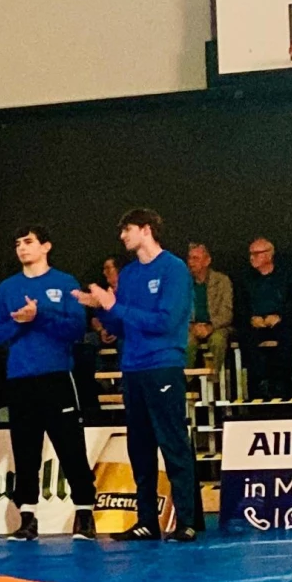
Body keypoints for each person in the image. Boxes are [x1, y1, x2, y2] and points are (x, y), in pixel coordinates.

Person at [74, 208, 198, 542]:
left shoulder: (173, 268)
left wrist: (114, 306)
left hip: (163, 365)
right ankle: (146, 520)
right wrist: (100, 308)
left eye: (126, 229)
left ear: (146, 229)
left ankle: (187, 519)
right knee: (139, 446)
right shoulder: (128, 275)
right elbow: (120, 325)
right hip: (133, 367)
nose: (122, 236)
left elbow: (165, 322)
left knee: (172, 442)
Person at [0, 226, 97, 541]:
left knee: (70, 447)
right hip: (20, 378)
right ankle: (27, 517)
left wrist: (40, 315)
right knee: (25, 451)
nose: (22, 248)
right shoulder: (8, 288)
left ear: (46, 246)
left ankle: (84, 513)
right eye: (18, 243)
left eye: (29, 242)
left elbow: (76, 328)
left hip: (56, 376)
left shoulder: (64, 282)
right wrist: (20, 322)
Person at [240, 236, 291, 399]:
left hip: (281, 322)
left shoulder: (286, 277)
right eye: (250, 254)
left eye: (256, 253)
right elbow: (241, 306)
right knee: (247, 339)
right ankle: (259, 385)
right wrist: (251, 318)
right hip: (255, 324)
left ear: (269, 255)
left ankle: (283, 384)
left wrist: (279, 317)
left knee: (287, 336)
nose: (252, 257)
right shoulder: (245, 279)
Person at [184, 242, 233, 373]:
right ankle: (186, 381)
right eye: (189, 258)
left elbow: (226, 313)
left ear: (207, 261)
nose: (191, 262)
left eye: (195, 258)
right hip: (192, 328)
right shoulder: (183, 283)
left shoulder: (222, 281)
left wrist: (210, 327)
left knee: (218, 341)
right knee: (186, 342)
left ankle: (213, 380)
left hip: (216, 327)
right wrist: (192, 327)